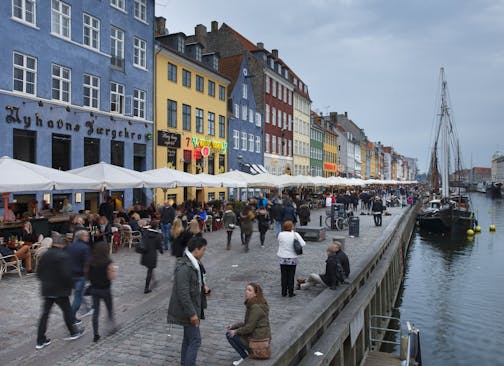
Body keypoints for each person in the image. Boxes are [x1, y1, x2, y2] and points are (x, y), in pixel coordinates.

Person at [36, 237, 84, 350]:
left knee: (45, 314)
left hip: (47, 289)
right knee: (66, 310)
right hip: (60, 290)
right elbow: (66, 275)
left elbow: (38, 273)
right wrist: (71, 286)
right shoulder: (63, 256)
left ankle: (40, 340)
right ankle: (73, 332)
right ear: (62, 245)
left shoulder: (45, 255)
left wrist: (46, 282)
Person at [167, 237, 208, 366]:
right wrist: (192, 314)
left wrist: (203, 287)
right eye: (203, 249)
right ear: (196, 250)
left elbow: (195, 283)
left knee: (188, 339)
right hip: (188, 311)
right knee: (195, 340)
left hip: (192, 308)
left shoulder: (195, 263)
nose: (204, 252)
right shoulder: (185, 267)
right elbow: (183, 293)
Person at [226, 283, 271, 366]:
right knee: (232, 331)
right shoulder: (256, 303)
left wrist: (236, 332)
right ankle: (248, 353)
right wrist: (234, 326)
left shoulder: (255, 307)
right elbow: (248, 323)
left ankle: (245, 357)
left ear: (255, 294)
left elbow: (249, 328)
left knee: (229, 335)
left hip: (258, 339)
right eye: (246, 289)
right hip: (260, 335)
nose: (246, 292)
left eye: (249, 290)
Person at [88, 241, 117, 343]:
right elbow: (111, 277)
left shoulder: (91, 261)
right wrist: (113, 271)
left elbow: (87, 275)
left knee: (96, 312)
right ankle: (111, 326)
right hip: (105, 289)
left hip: (95, 289)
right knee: (109, 309)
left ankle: (96, 334)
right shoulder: (108, 262)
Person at [67, 230, 92, 324]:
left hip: (71, 274)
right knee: (78, 297)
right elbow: (87, 264)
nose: (88, 237)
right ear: (81, 237)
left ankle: (86, 309)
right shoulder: (85, 247)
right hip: (80, 276)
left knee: (79, 295)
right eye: (86, 236)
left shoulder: (70, 246)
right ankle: (71, 318)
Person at [277, 220, 305, 297]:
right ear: (291, 227)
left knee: (284, 275)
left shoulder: (280, 234)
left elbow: (279, 241)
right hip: (292, 257)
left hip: (283, 257)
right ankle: (290, 292)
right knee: (291, 275)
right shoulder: (295, 234)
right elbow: (303, 244)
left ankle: (283, 292)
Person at [141, 221, 163, 293]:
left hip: (145, 253)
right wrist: (161, 251)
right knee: (150, 271)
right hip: (152, 254)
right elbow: (159, 246)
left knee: (150, 269)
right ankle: (146, 288)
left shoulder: (146, 233)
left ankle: (154, 280)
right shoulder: (158, 235)